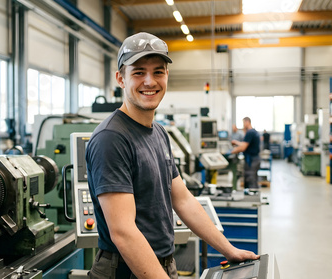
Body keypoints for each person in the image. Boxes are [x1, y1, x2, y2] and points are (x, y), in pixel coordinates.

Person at [85, 32, 259, 279]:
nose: (149, 81)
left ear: (167, 76)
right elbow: (123, 232)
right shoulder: (111, 138)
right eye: (138, 72)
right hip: (125, 269)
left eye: (158, 71)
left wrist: (228, 250)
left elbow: (183, 200)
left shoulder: (159, 132)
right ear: (120, 79)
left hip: (162, 263)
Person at [231, 117, 261, 189]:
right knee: (253, 179)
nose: (243, 125)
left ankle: (252, 197)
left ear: (247, 122)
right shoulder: (253, 132)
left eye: (243, 123)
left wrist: (232, 151)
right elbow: (245, 144)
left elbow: (243, 147)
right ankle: (253, 195)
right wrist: (237, 143)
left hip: (251, 160)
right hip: (255, 159)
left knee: (250, 179)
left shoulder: (250, 133)